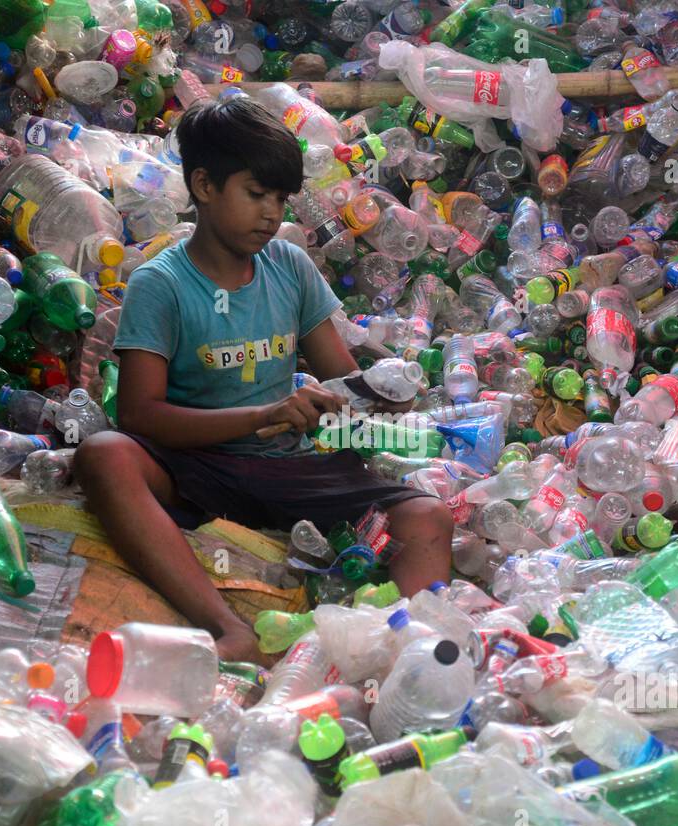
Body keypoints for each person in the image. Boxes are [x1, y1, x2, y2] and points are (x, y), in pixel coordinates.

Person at [75, 98, 454, 666]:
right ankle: (228, 627)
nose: (271, 214)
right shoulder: (162, 284)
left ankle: (392, 655)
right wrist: (261, 414)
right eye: (257, 195)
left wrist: (382, 389)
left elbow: (341, 376)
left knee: (427, 518)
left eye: (280, 199)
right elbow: (139, 415)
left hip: (289, 466)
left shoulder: (290, 266)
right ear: (204, 185)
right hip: (198, 465)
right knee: (104, 455)